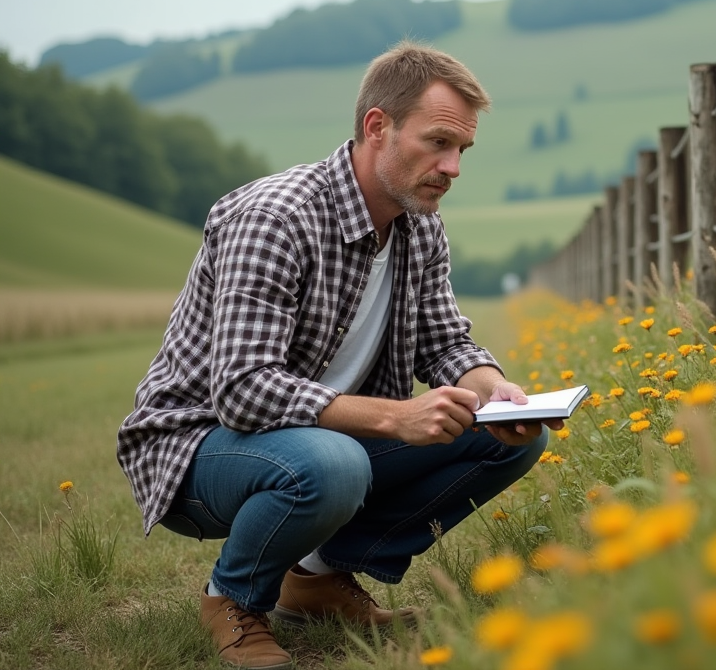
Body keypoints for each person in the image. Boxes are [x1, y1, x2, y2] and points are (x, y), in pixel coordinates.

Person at [117, 43, 559, 670]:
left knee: (511, 437)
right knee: (335, 463)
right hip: (199, 446)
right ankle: (233, 599)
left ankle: (317, 577)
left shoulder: (419, 223)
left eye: (461, 150)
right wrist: (394, 418)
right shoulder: (275, 217)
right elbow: (243, 389)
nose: (453, 166)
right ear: (377, 128)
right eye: (437, 142)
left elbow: (445, 340)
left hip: (326, 442)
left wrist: (497, 391)